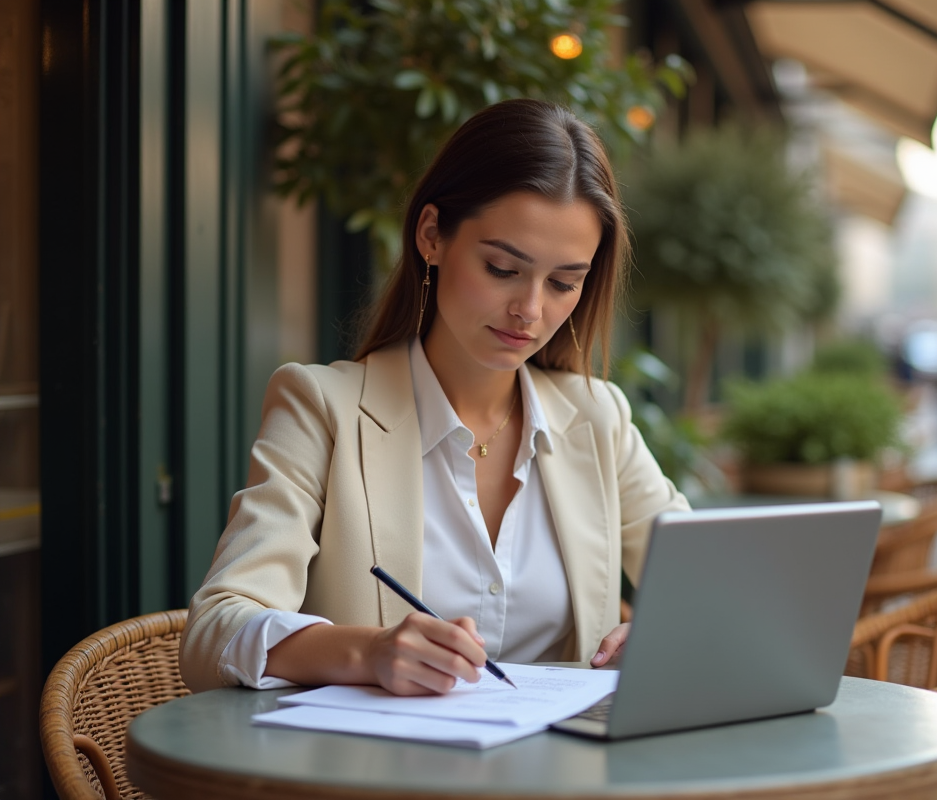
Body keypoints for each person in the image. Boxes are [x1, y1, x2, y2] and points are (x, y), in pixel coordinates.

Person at [179, 99, 691, 695]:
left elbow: (707, 587)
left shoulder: (596, 417)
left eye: (563, 283)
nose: (530, 310)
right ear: (431, 236)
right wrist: (367, 652)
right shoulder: (324, 407)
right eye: (502, 268)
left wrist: (674, 627)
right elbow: (214, 632)